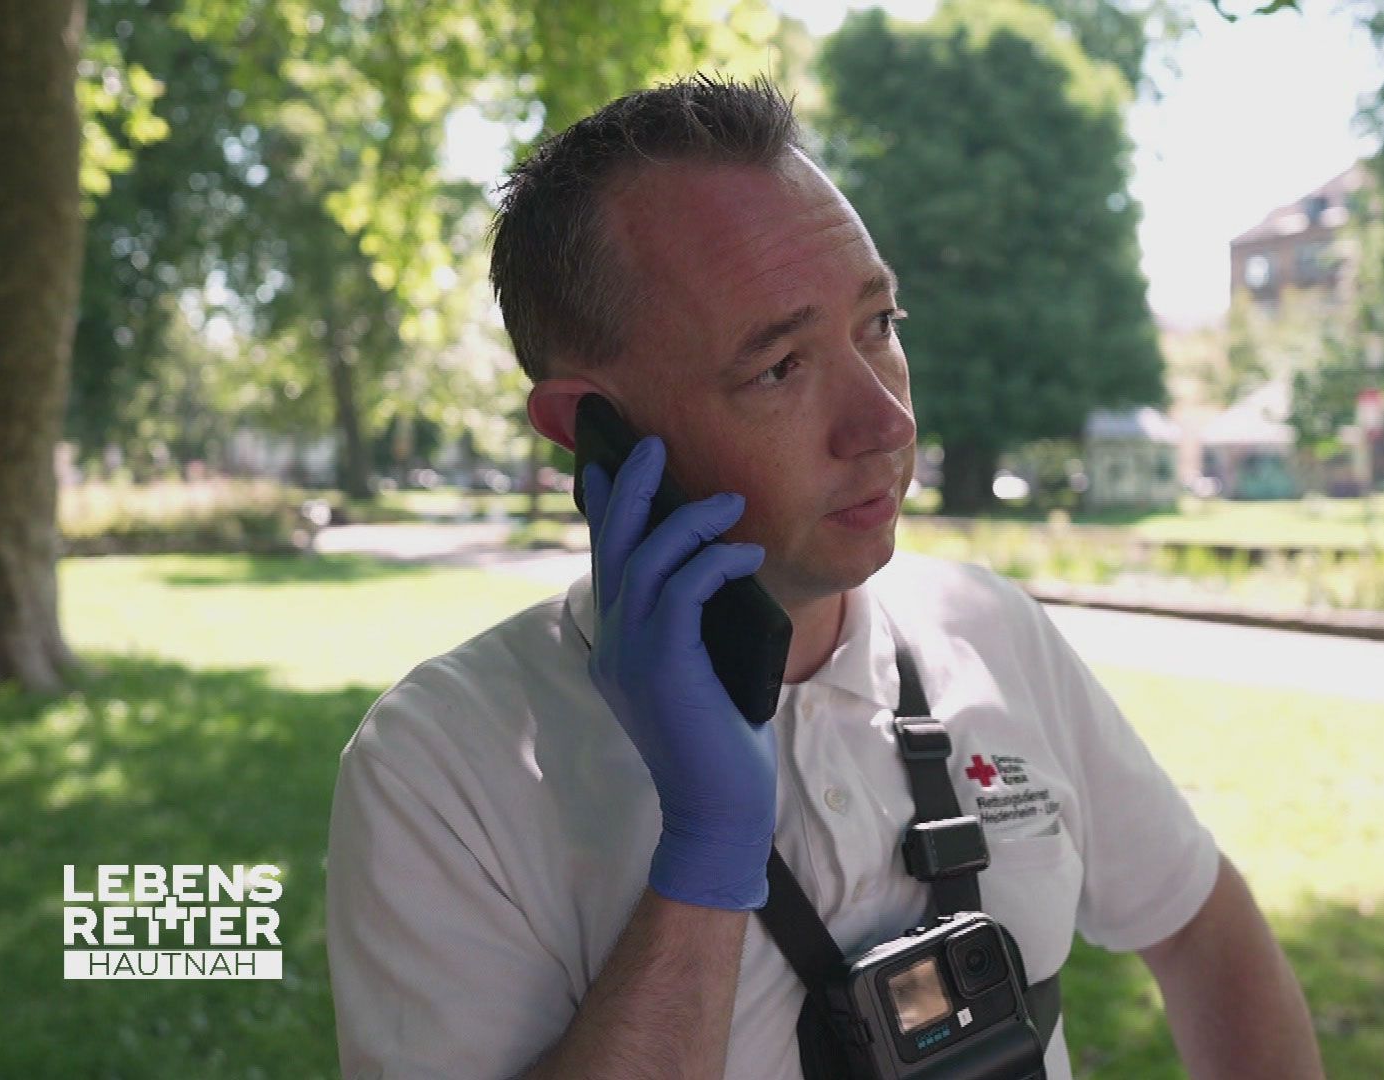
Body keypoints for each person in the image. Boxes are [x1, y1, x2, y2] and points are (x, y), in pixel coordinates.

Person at [325, 74, 1324, 1080]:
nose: (887, 424)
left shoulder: (987, 629)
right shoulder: (438, 768)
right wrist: (707, 858)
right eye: (779, 368)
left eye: (880, 325)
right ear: (594, 432)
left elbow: (1204, 930)